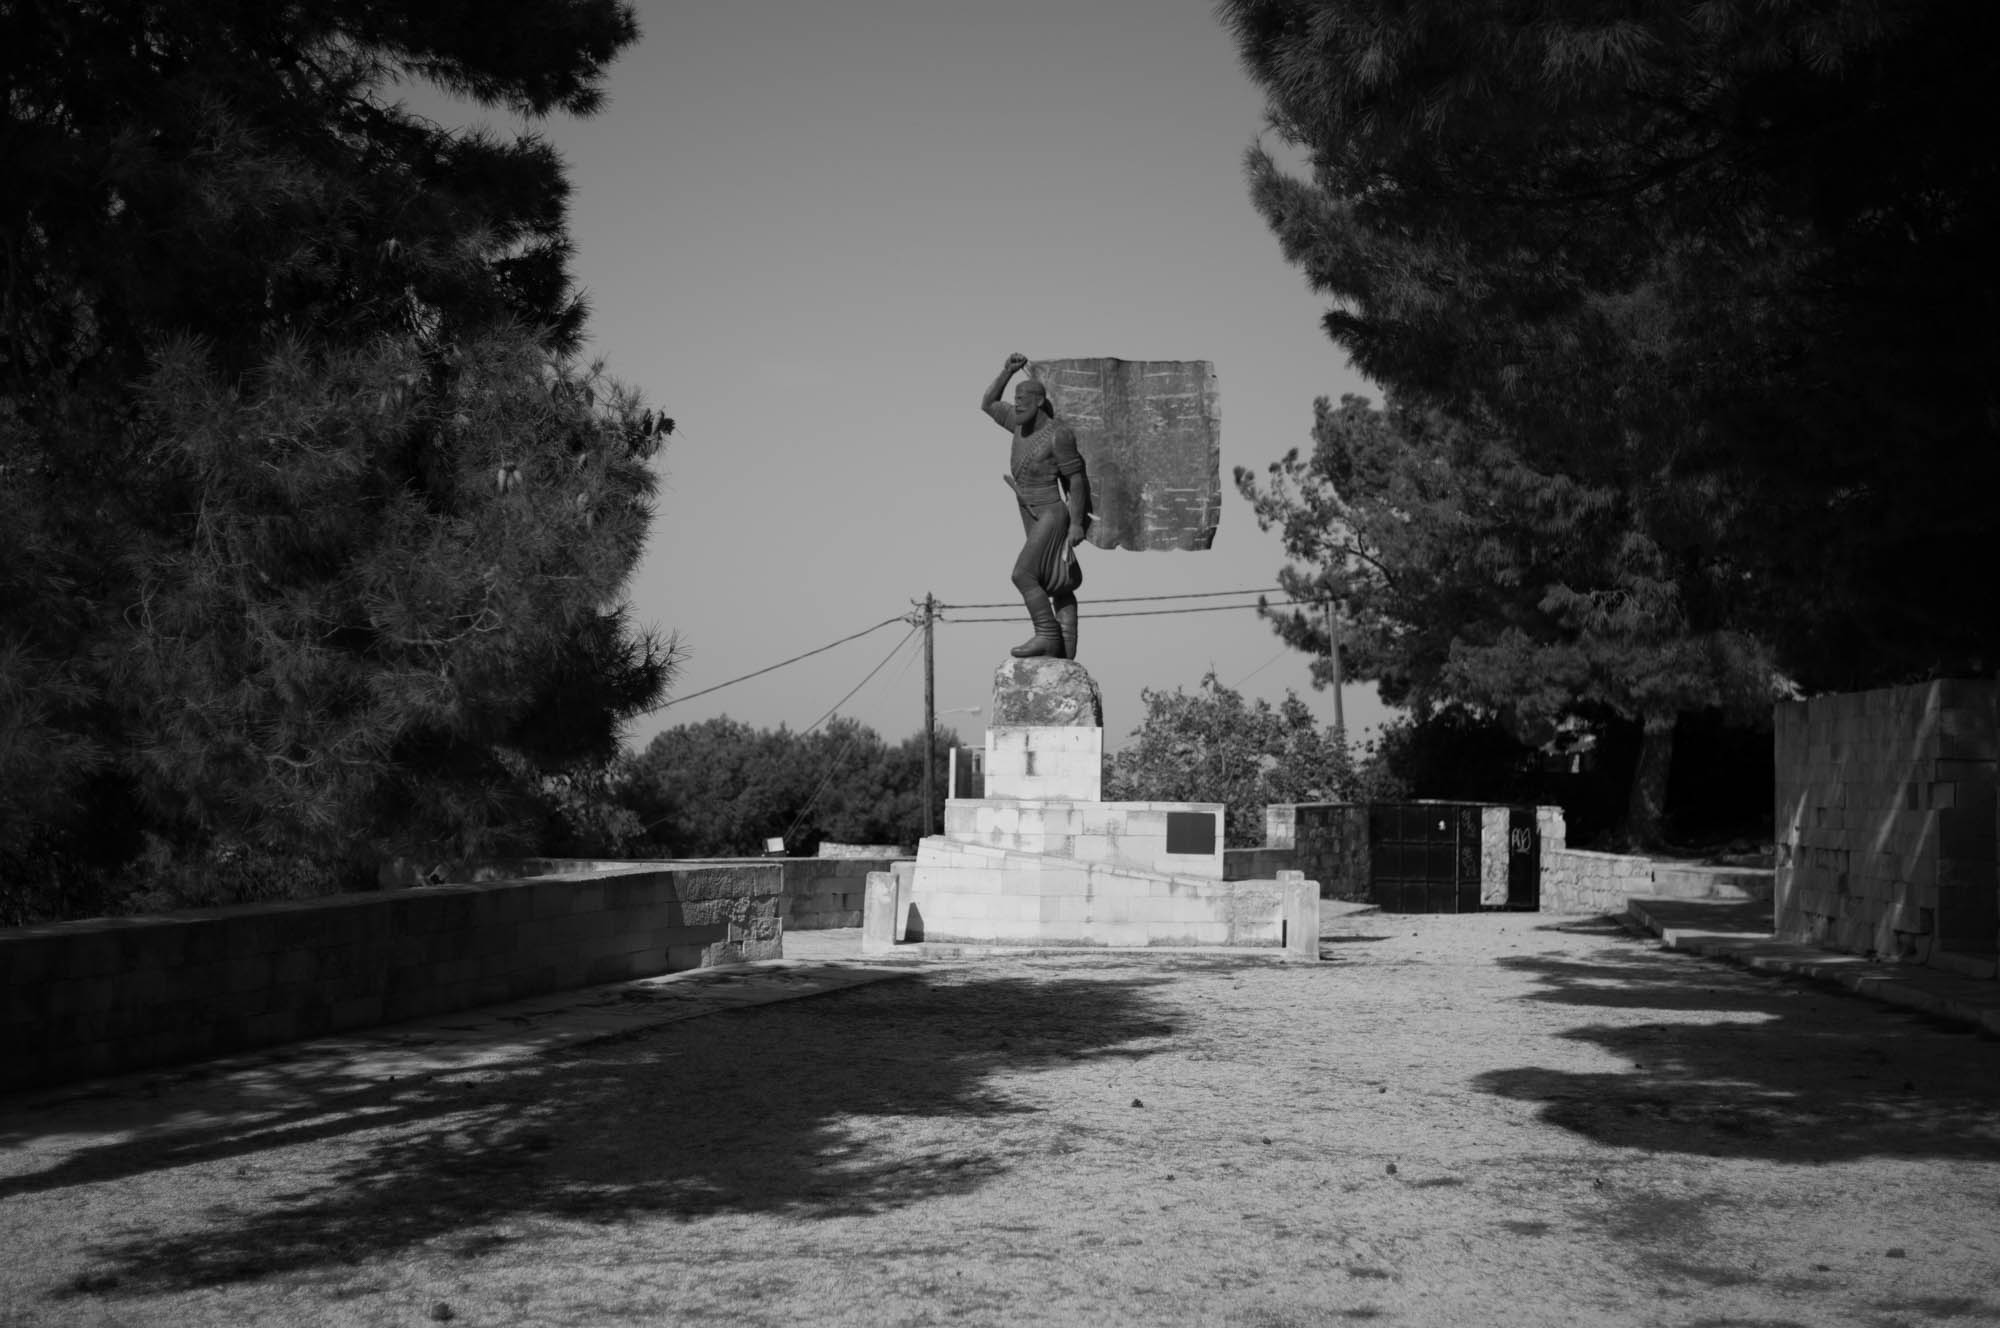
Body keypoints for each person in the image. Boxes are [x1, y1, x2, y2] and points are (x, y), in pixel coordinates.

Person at [980, 352, 1090, 659]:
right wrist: (1007, 372)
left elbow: (1077, 480)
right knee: (1058, 580)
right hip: (1028, 511)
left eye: (1024, 398)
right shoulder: (1017, 425)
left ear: (1040, 401)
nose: (1018, 404)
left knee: (1023, 574)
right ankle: (1066, 652)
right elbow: (987, 404)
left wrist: (1077, 523)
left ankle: (1047, 635)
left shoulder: (1058, 435)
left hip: (1054, 512)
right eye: (1016, 398)